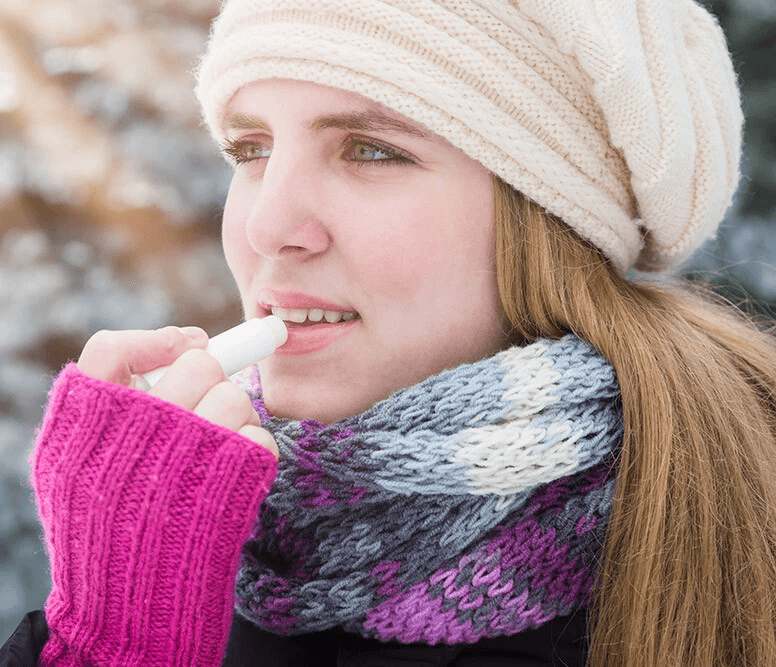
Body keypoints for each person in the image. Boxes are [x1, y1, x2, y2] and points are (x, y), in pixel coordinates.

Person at [2, 0, 776, 665]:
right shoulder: (196, 539)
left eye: (371, 150)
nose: (267, 225)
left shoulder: (727, 537)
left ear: (547, 222)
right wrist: (105, 632)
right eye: (251, 149)